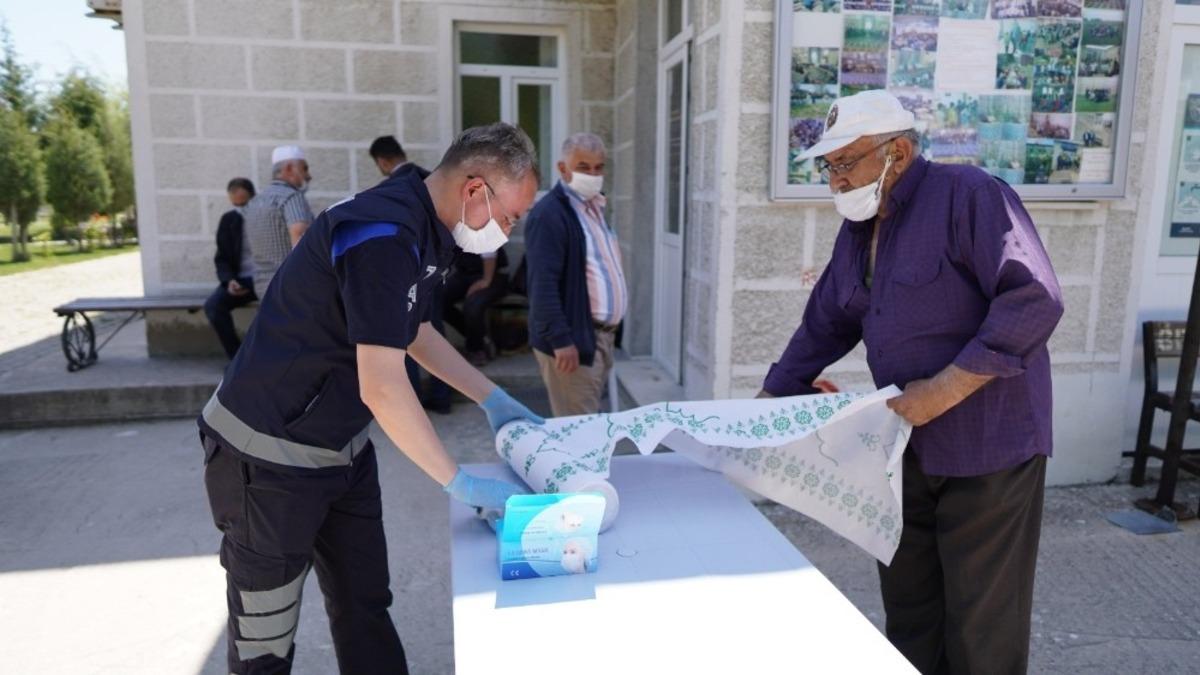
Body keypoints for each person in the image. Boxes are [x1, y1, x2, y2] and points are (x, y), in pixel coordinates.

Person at [197, 122, 544, 674]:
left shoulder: (428, 224)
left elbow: (411, 328)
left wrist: (492, 397)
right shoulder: (382, 232)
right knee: (265, 646)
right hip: (267, 463)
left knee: (365, 606)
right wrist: (457, 481)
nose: (507, 230)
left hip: (342, 452)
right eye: (511, 216)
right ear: (476, 190)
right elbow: (382, 385)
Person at [758, 90, 1063, 674]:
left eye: (845, 163)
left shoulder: (969, 195)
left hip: (988, 450)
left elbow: (1035, 298)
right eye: (828, 166)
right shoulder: (860, 230)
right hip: (902, 452)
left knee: (981, 632)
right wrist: (770, 403)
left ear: (896, 152)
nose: (834, 181)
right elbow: (826, 321)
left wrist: (943, 389)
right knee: (911, 616)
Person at [525, 132, 627, 417]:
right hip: (574, 339)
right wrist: (560, 340)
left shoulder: (593, 208)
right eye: (583, 167)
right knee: (578, 431)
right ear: (562, 168)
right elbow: (542, 284)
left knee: (587, 424)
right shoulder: (550, 214)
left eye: (599, 167)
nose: (593, 175)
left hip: (599, 337)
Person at [369, 136, 454, 413]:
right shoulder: (430, 181)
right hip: (436, 270)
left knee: (407, 337)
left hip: (404, 275)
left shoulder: (388, 190)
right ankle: (442, 398)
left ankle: (413, 400)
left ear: (382, 161)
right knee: (435, 332)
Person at [243, 145, 313, 293]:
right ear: (288, 168)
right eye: (304, 168)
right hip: (291, 285)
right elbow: (299, 234)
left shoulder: (255, 202)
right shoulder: (291, 196)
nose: (308, 175)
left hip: (263, 287)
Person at [204, 178, 257, 359]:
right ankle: (237, 359)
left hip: (267, 279)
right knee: (213, 306)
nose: (241, 208)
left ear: (254, 198)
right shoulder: (228, 220)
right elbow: (222, 258)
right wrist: (230, 281)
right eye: (236, 204)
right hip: (240, 280)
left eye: (245, 203)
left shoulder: (266, 218)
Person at [442, 245, 509, 366]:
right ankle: (481, 339)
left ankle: (477, 350)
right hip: (464, 273)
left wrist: (486, 280)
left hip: (493, 274)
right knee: (439, 301)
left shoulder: (482, 226)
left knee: (473, 305)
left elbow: (489, 251)